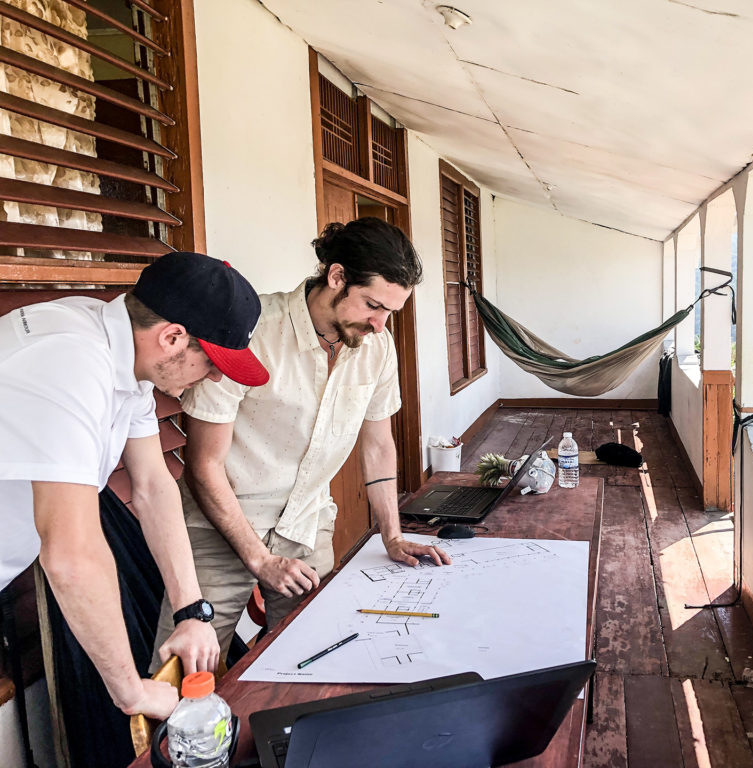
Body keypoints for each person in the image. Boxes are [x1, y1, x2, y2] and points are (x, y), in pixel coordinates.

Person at [151, 218, 451, 665]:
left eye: (390, 311)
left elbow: (378, 445)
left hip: (308, 525)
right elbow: (203, 466)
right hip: (220, 525)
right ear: (336, 277)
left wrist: (391, 534)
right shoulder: (252, 330)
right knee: (188, 672)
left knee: (316, 660)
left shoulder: (377, 345)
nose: (379, 323)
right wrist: (259, 560)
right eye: (372, 305)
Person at [0, 252, 270, 721]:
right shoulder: (71, 365)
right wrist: (133, 693)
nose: (213, 376)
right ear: (172, 338)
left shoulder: (119, 349)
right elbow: (70, 555)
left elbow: (152, 487)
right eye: (212, 363)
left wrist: (190, 612)